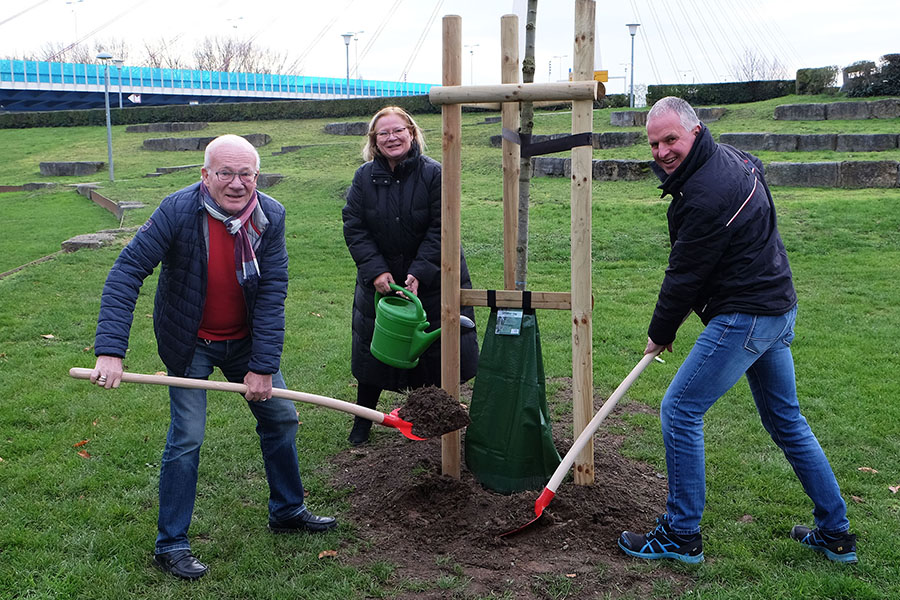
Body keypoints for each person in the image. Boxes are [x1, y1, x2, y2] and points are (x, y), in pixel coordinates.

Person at [617, 97, 856, 565]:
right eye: (654, 144)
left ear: (696, 131)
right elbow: (713, 256)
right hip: (776, 308)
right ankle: (836, 532)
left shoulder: (705, 195)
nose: (662, 151)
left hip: (746, 316)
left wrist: (660, 331)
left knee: (680, 409)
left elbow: (684, 274)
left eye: (671, 140)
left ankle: (681, 534)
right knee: (787, 421)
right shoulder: (736, 159)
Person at [90, 134, 336, 581]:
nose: (237, 183)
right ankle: (172, 544)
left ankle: (287, 510)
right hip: (191, 341)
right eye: (225, 172)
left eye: (246, 174)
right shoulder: (178, 211)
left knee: (280, 418)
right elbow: (127, 271)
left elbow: (272, 292)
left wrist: (262, 366)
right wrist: (110, 350)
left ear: (257, 176)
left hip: (245, 341)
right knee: (187, 437)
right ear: (205, 175)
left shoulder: (270, 216)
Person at [342, 106, 479, 445]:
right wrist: (375, 271)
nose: (391, 138)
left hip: (435, 278)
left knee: (433, 356)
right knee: (373, 353)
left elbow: (443, 227)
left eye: (397, 130)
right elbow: (354, 226)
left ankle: (432, 418)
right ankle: (364, 421)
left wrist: (419, 270)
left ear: (412, 133)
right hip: (382, 283)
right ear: (374, 141)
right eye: (383, 133)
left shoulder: (434, 173)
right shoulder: (363, 178)